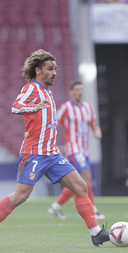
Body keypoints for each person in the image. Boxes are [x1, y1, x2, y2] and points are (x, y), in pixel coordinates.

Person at [0, 49, 109, 249]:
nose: (54, 73)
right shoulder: (32, 89)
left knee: (81, 187)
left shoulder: (48, 93)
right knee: (20, 196)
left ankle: (95, 233)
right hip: (34, 153)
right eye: (50, 69)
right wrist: (35, 107)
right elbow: (15, 107)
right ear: (38, 70)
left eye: (55, 69)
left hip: (52, 154)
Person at [48, 81, 105, 220]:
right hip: (74, 148)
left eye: (81, 89)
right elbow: (55, 123)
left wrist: (97, 131)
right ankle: (93, 209)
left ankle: (56, 206)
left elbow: (94, 125)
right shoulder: (66, 107)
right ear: (71, 92)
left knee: (79, 182)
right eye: (77, 89)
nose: (80, 92)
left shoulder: (88, 108)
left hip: (85, 150)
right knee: (87, 175)